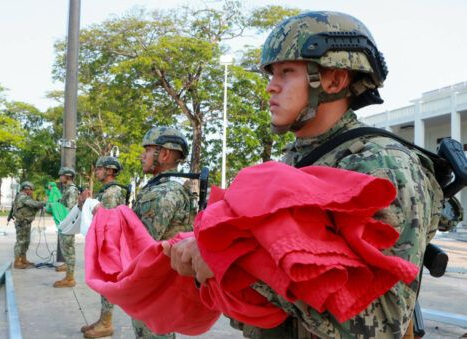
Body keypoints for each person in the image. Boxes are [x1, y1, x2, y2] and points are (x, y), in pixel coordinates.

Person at [164, 11, 443, 338]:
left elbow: (381, 324)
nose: (270, 87)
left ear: (334, 80)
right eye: (271, 74)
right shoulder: (298, 159)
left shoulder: (380, 165)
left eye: (286, 72)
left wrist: (232, 260)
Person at [132, 126, 195, 338]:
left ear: (165, 154)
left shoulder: (163, 192)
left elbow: (142, 243)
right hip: (159, 284)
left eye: (148, 150)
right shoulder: (164, 187)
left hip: (155, 285)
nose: (143, 156)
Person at [81, 156, 126, 339]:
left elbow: (108, 218)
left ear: (109, 171)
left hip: (110, 244)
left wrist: (90, 205)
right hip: (105, 242)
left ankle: (106, 323)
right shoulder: (106, 191)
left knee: (107, 282)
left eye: (99, 168)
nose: (96, 171)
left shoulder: (112, 192)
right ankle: (103, 319)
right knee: (104, 283)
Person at [54, 167, 80, 288]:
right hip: (66, 223)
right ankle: (67, 267)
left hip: (68, 223)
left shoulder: (72, 190)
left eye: (62, 175)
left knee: (69, 250)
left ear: (67, 176)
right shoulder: (68, 189)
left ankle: (70, 278)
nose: (60, 178)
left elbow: (70, 209)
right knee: (66, 248)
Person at [12, 181, 46, 269]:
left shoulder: (25, 197)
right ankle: (17, 261)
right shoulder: (22, 197)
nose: (32, 192)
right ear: (26, 189)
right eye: (31, 190)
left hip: (26, 223)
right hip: (22, 223)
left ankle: (23, 259)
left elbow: (32, 207)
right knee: (20, 242)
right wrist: (44, 202)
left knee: (26, 242)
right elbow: (34, 204)